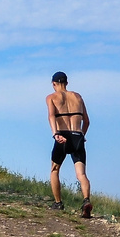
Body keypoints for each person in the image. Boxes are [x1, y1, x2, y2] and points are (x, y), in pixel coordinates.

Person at [46, 71, 92, 218]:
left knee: (54, 170)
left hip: (62, 135)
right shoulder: (78, 97)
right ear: (67, 82)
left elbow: (51, 116)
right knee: (81, 174)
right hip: (77, 136)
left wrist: (55, 134)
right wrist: (82, 135)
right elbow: (87, 120)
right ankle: (86, 201)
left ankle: (58, 203)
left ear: (54, 84)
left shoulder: (51, 97)